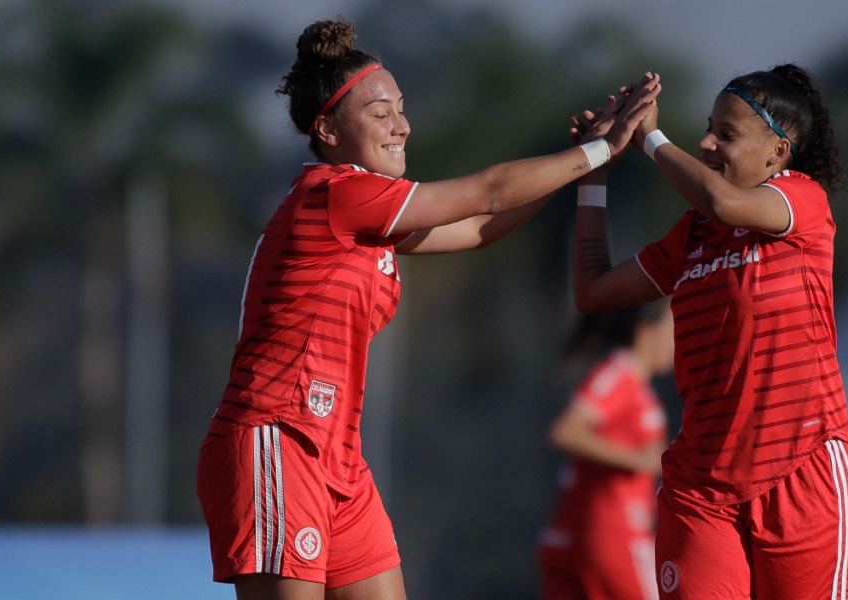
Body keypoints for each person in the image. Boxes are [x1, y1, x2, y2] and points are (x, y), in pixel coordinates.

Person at [195, 16, 661, 600]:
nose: (402, 126)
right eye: (379, 112)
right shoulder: (334, 194)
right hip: (278, 439)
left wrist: (586, 168)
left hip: (337, 456)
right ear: (328, 129)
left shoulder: (370, 216)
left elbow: (481, 226)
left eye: (401, 108)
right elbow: (487, 191)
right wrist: (598, 150)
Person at [570, 64, 848, 599]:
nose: (706, 143)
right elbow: (593, 291)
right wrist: (595, 171)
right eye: (708, 128)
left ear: (778, 153)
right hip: (701, 489)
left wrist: (652, 139)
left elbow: (724, 201)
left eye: (725, 135)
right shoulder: (693, 236)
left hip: (802, 478)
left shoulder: (801, 201)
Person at [537, 301, 673, 600]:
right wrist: (638, 459)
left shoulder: (634, 384)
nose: (677, 342)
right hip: (611, 534)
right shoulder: (620, 372)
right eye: (672, 329)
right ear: (644, 332)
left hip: (573, 535)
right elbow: (566, 430)